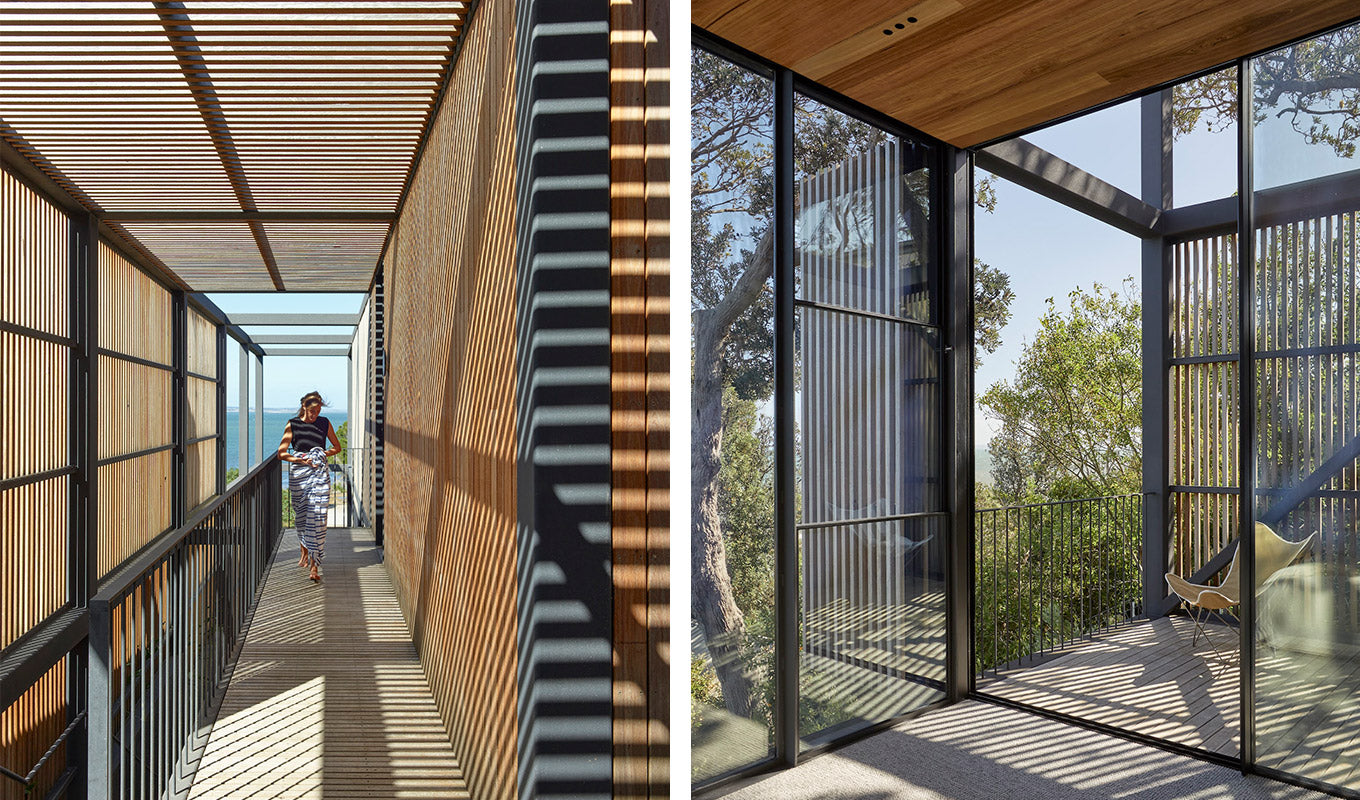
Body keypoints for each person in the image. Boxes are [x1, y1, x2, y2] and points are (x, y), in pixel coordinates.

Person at [277, 391, 342, 582]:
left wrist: (320, 454)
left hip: (319, 473)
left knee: (318, 517)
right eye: (313, 410)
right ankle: (304, 552)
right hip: (300, 475)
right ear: (304, 407)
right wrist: (301, 459)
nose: (315, 414)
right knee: (303, 515)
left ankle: (314, 565)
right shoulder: (293, 424)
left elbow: (336, 447)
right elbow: (281, 453)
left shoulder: (324, 422)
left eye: (318, 410)